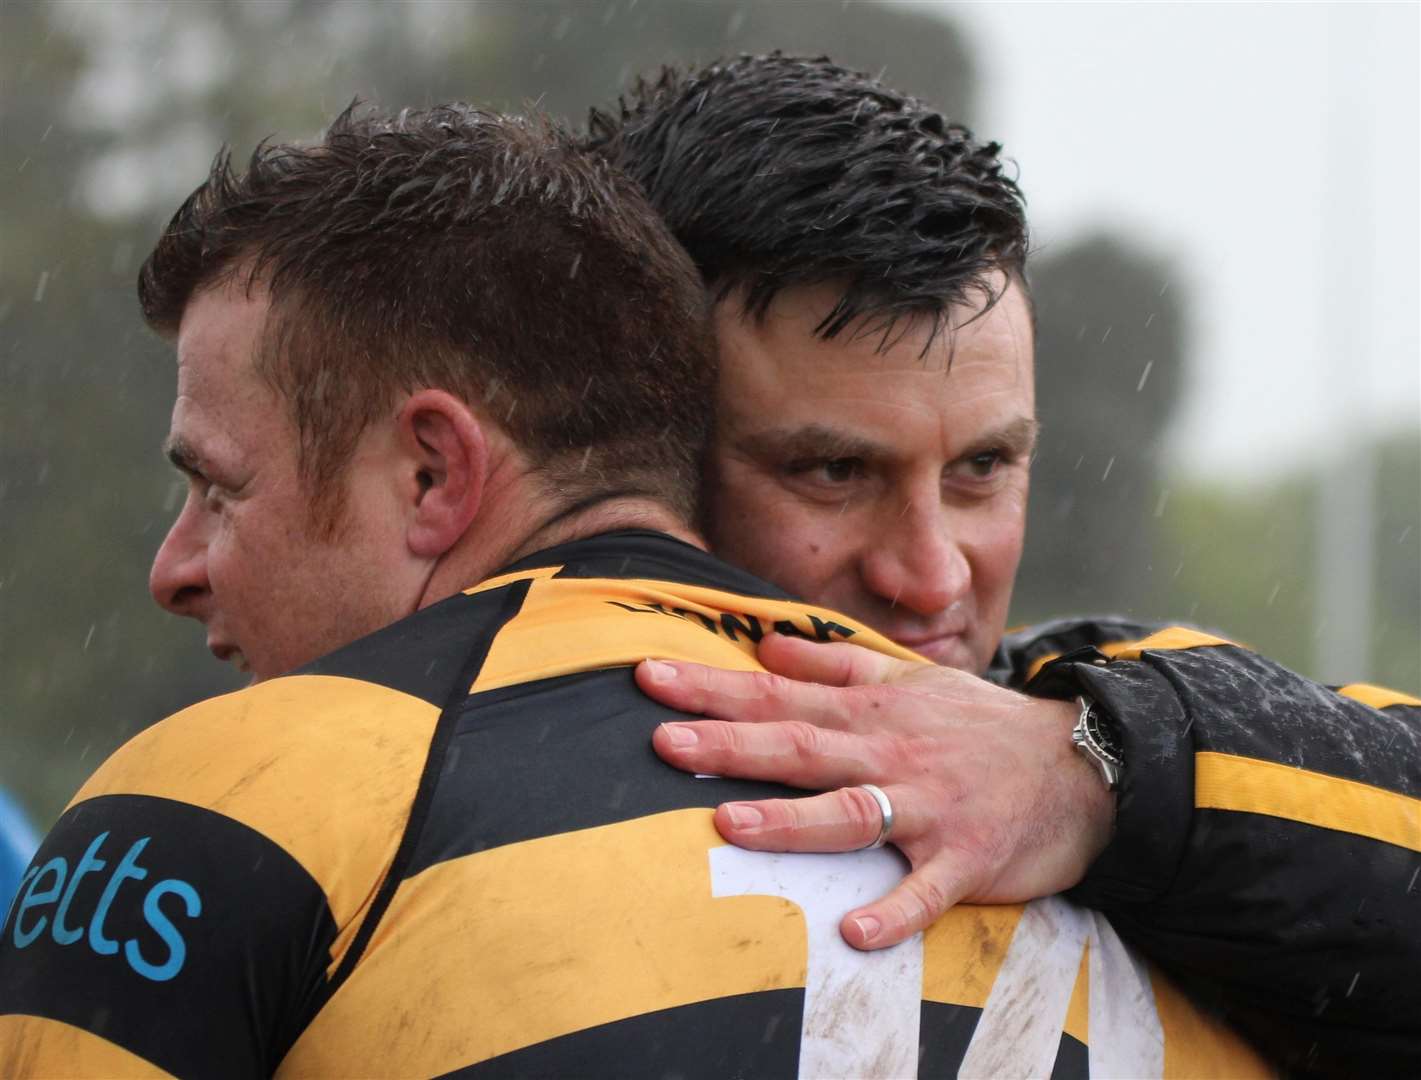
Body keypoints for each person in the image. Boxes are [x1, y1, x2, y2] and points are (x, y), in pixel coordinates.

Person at [0, 103, 1268, 1077]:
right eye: (829, 468)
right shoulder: (1246, 875)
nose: (174, 569)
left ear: (437, 471)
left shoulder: (220, 803)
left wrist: (1101, 762)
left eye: (219, 490)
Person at [586, 53, 1421, 1074]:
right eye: (835, 470)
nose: (933, 577)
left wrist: (1093, 774)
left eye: (983, 465)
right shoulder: (423, 746)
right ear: (637, 447)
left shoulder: (1089, 703)